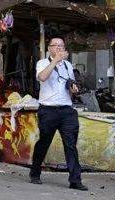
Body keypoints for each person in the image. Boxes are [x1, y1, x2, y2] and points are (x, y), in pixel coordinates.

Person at [30, 37, 87, 191]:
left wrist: (73, 89)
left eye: (62, 46)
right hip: (48, 110)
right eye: (56, 46)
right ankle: (35, 172)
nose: (60, 49)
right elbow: (42, 77)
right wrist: (55, 61)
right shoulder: (42, 63)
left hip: (67, 110)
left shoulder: (68, 65)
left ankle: (75, 180)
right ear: (50, 48)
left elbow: (70, 85)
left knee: (70, 145)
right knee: (44, 142)